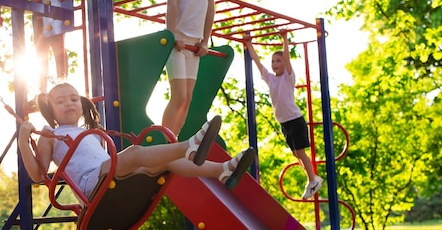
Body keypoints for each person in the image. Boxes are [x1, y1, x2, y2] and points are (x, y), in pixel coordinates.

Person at [17, 83, 255, 198]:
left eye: (73, 99)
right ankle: (188, 146)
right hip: (92, 185)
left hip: (110, 178)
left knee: (160, 162)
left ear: (81, 105)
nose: (69, 103)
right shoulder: (50, 133)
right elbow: (39, 175)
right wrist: (24, 141)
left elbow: (109, 161)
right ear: (51, 109)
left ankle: (222, 171)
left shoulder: (90, 133)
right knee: (135, 153)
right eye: (61, 101)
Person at [244, 31, 323, 200]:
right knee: (296, 153)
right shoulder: (270, 79)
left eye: (278, 61)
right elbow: (257, 62)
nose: (275, 64)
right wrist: (249, 44)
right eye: (273, 61)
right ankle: (312, 179)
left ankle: (313, 180)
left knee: (300, 152)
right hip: (284, 123)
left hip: (295, 120)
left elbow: (287, 59)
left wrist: (285, 39)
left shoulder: (288, 77)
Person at [161, 0, 221, 136]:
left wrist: (205, 40)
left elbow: (210, 9)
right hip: (177, 42)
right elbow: (172, 3)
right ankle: (163, 140)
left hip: (194, 44)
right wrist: (172, 35)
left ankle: (173, 139)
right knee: (178, 96)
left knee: (187, 99)